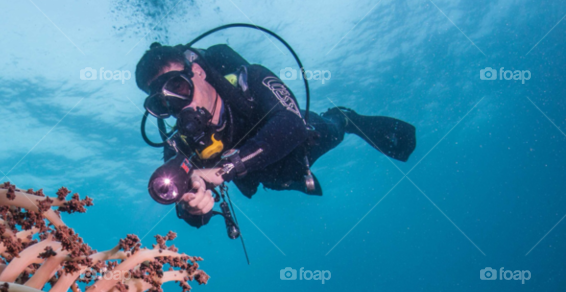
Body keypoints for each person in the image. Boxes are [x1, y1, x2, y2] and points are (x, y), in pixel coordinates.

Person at [136, 43, 417, 227]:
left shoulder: (250, 80)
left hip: (305, 143)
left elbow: (291, 125)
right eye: (163, 103)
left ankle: (344, 117)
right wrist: (194, 207)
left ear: (197, 72)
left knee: (333, 129)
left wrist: (222, 171)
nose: (177, 106)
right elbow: (186, 200)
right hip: (272, 178)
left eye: (179, 87)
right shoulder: (179, 142)